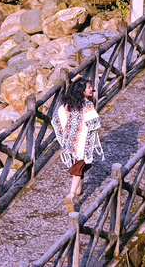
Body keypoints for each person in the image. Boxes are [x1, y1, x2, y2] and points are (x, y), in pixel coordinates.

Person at [52, 78, 103, 212]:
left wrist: (66, 136)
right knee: (78, 167)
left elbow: (58, 120)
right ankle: (71, 194)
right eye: (88, 87)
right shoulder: (87, 105)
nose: (91, 89)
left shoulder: (67, 105)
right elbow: (94, 123)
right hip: (81, 144)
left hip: (70, 143)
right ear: (82, 91)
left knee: (79, 166)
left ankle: (79, 188)